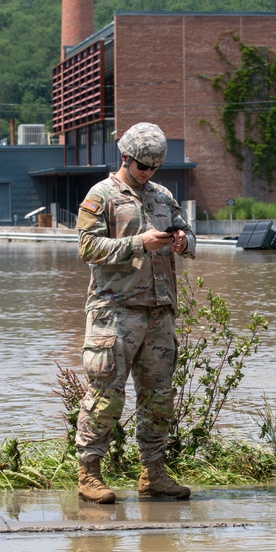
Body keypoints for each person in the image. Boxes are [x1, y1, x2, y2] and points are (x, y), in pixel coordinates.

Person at [73, 122, 196, 504]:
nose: (148, 173)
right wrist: (137, 244)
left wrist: (180, 242)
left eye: (154, 168)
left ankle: (153, 475)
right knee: (105, 397)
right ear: (125, 158)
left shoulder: (163, 197)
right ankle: (89, 473)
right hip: (115, 312)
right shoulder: (102, 195)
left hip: (159, 313)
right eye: (143, 166)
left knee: (159, 399)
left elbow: (192, 240)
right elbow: (87, 248)